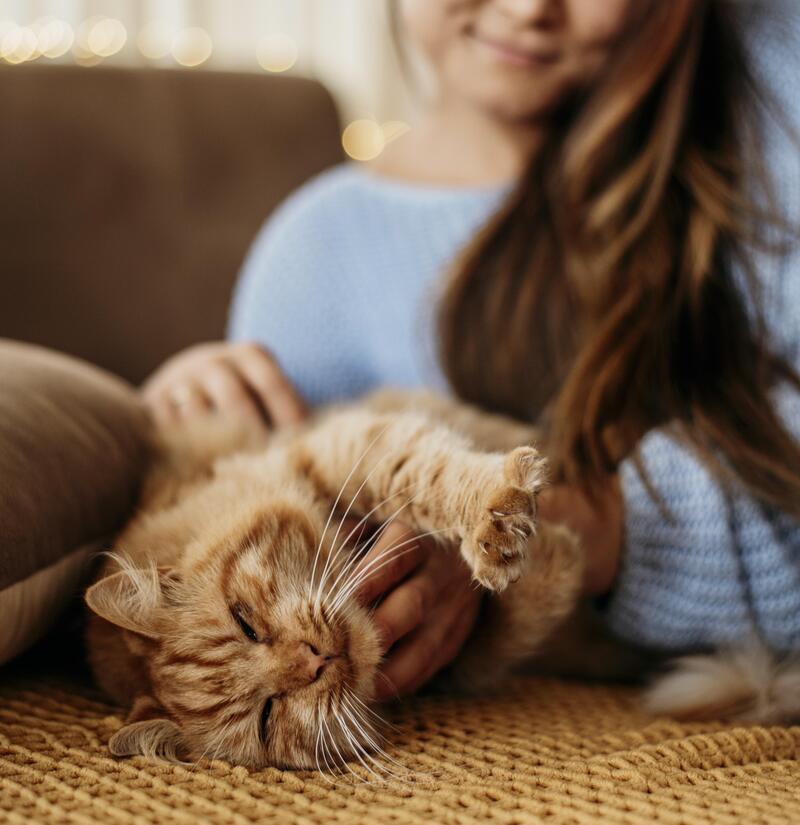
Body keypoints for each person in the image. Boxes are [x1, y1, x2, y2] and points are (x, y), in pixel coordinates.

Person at [143, 0, 800, 700]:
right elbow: (256, 518)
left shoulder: (767, 80)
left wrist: (569, 525)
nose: (526, 9)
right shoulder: (310, 255)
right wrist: (181, 418)